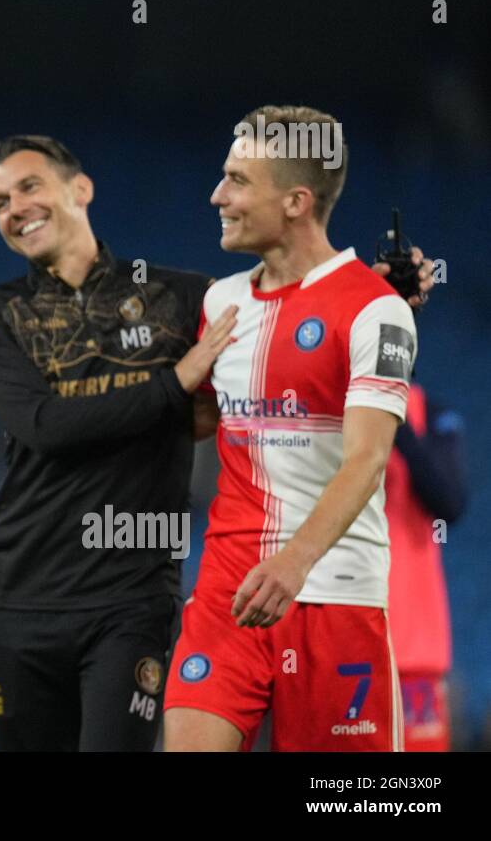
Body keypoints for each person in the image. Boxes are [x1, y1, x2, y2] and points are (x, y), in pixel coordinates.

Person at [0, 133, 431, 752]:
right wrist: (177, 381)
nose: (14, 207)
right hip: (22, 597)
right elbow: (43, 427)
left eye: (28, 187)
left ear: (81, 189)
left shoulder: (179, 300)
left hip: (131, 600)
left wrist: (375, 294)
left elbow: (280, 335)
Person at [164, 105, 419, 752]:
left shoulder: (376, 311)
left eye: (238, 181)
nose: (217, 195)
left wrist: (293, 564)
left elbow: (365, 460)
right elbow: (199, 425)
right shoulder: (221, 303)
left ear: (298, 201)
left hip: (334, 594)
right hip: (228, 590)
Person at [384, 383, 468, 751]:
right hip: (344, 634)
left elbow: (450, 502)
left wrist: (395, 423)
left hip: (414, 647)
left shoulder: (432, 413)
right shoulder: (330, 411)